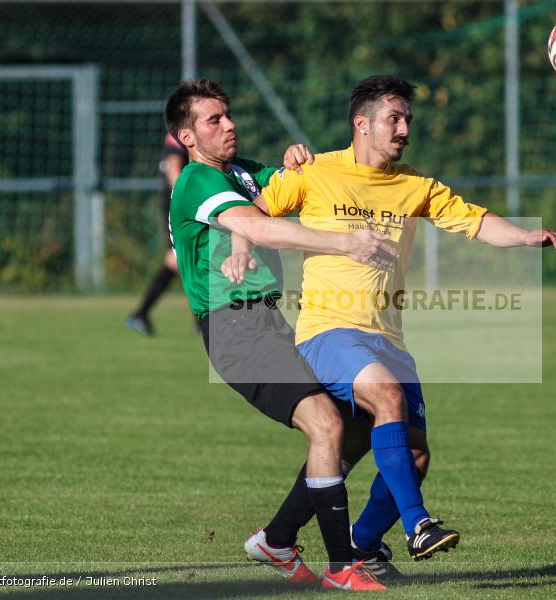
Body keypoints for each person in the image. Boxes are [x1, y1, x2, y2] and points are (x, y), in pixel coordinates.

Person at [227, 74, 556, 579]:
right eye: (395, 117)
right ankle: (418, 524)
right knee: (385, 399)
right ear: (361, 124)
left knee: (413, 453)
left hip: (388, 336)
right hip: (328, 329)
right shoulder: (315, 170)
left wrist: (523, 237)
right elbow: (251, 214)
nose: (405, 128)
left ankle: (352, 543)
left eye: (408, 118)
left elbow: (474, 221)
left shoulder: (416, 186)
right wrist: (239, 249)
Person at [166, 78, 400, 591]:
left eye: (228, 115)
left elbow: (300, 191)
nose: (229, 125)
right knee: (325, 424)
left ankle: (277, 538)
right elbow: (264, 226)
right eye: (214, 120)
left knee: (357, 422)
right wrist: (345, 243)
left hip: (273, 322)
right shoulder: (196, 182)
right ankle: (343, 566)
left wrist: (300, 162)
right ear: (187, 138)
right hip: (234, 330)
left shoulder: (246, 173)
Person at [126, 133, 188, 336]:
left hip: (179, 204)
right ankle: (140, 314)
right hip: (179, 205)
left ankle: (141, 314)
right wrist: (186, 198)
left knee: (184, 259)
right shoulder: (182, 130)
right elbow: (172, 165)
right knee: (181, 258)